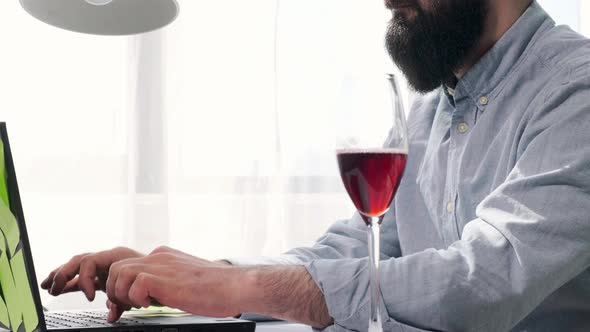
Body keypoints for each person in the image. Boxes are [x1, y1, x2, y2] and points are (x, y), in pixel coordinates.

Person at [42, 0, 590, 331]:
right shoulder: (428, 113)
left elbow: (482, 282)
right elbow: (356, 249)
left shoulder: (574, 91)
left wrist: (234, 289)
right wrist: (191, 276)